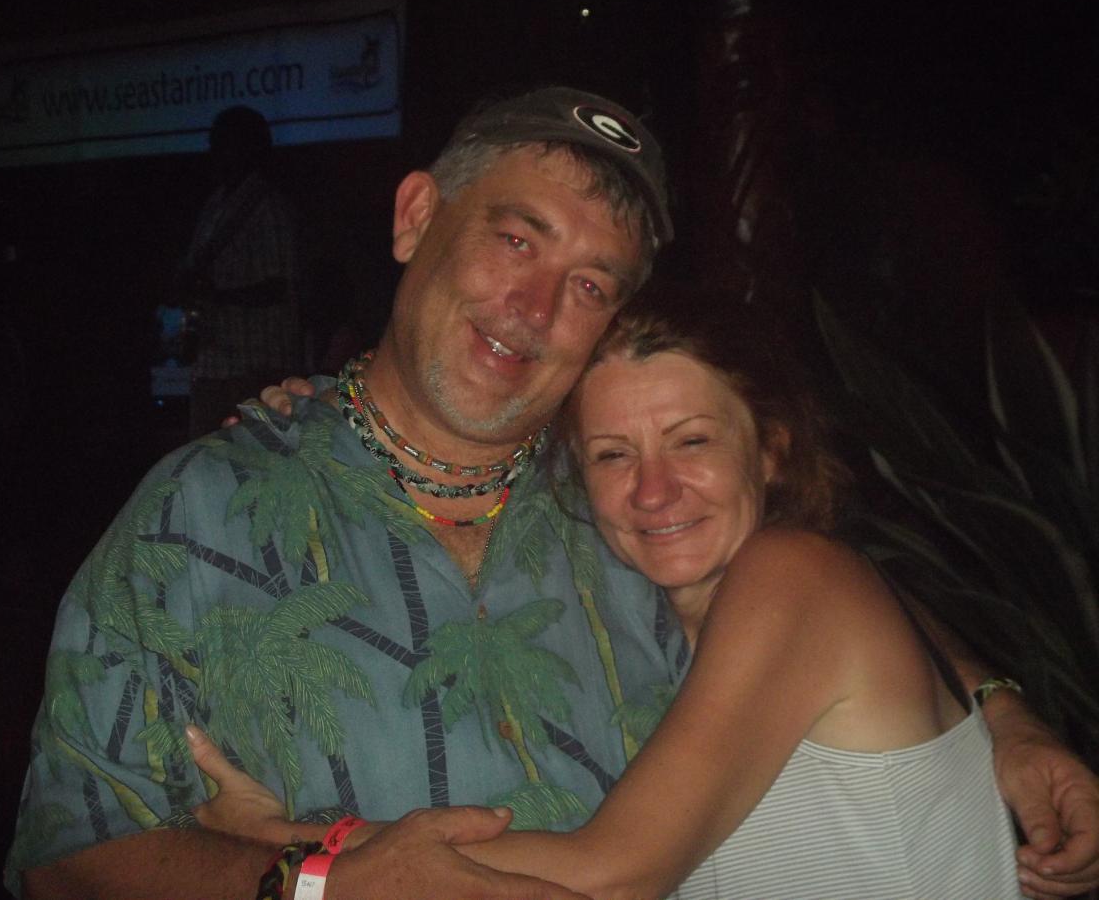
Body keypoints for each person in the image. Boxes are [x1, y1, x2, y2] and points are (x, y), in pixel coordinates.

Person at [7, 86, 1098, 900]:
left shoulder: (625, 506)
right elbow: (67, 857)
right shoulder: (203, 512)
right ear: (415, 217)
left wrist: (999, 710)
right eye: (515, 238)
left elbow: (823, 591)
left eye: (587, 285)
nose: (533, 308)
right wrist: (290, 885)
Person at [192, 294, 1048, 897]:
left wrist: (290, 853)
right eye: (612, 454)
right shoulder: (659, 638)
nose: (653, 490)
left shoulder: (794, 575)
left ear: (772, 451)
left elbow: (610, 874)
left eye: (692, 441)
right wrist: (339, 425)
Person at [180, 105, 301, 438]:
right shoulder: (215, 204)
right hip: (211, 363)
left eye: (222, 143)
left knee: (255, 460)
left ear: (249, 147)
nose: (213, 152)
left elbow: (279, 287)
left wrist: (217, 295)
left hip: (254, 367)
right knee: (204, 458)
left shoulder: (269, 206)